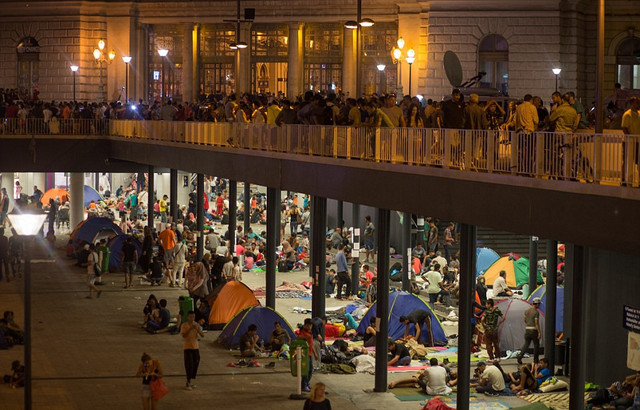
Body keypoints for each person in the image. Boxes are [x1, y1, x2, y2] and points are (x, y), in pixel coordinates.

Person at [180, 310, 204, 390]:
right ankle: (188, 381)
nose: (192, 318)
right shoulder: (184, 325)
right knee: (189, 364)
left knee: (196, 362)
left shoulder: (196, 324)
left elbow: (202, 335)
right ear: (188, 317)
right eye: (190, 317)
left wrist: (198, 329)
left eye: (193, 317)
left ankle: (192, 378)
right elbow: (184, 335)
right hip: (187, 347)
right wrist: (190, 328)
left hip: (195, 346)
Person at [517, 297, 542, 364]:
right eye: (539, 304)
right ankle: (535, 360)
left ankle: (520, 355)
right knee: (536, 345)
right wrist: (539, 332)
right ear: (537, 304)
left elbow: (525, 319)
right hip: (534, 330)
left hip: (527, 329)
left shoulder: (527, 311)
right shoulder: (536, 312)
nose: (539, 305)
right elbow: (536, 322)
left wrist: (528, 323)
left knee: (526, 344)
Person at [297, 319, 315, 392]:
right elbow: (299, 337)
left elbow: (311, 345)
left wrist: (315, 354)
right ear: (305, 325)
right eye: (308, 325)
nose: (309, 327)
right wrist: (306, 338)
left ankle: (307, 383)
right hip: (305, 355)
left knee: (310, 370)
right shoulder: (303, 332)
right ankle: (303, 385)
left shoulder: (310, 333)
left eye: (310, 325)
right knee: (306, 370)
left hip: (310, 354)